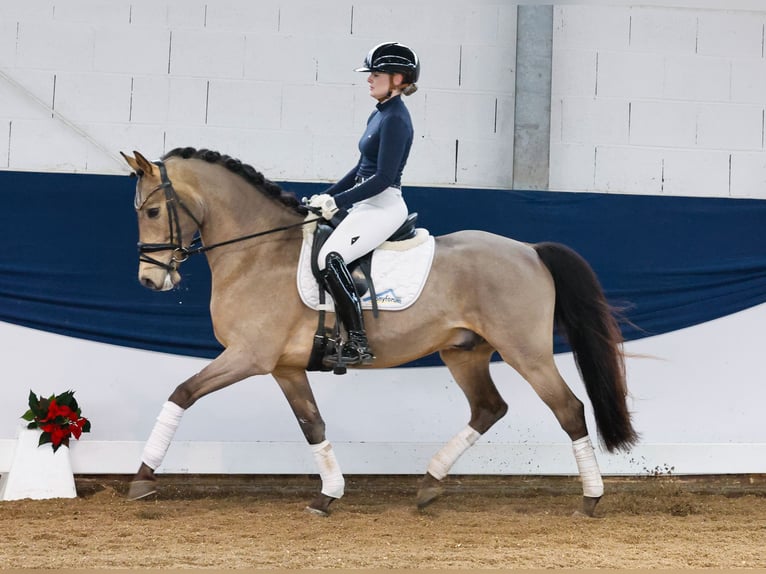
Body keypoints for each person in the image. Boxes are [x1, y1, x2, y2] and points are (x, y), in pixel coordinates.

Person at [308, 41, 420, 368]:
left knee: (331, 258)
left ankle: (358, 343)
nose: (369, 79)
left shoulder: (397, 119)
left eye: (376, 73)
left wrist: (338, 202)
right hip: (365, 205)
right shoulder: (379, 114)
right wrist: (326, 197)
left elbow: (383, 177)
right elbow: (360, 169)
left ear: (398, 78)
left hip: (383, 206)